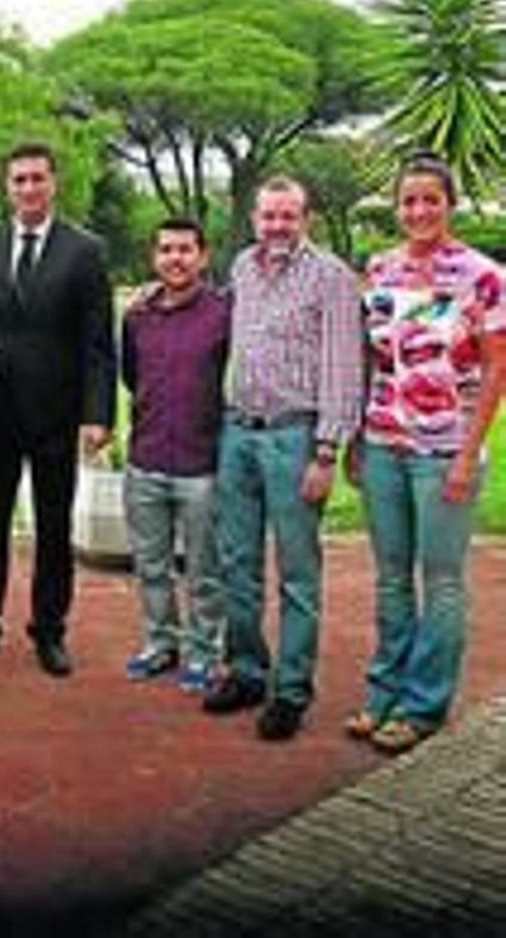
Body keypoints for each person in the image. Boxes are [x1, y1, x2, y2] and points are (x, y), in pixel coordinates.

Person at [345, 155, 506, 754]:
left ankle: (423, 705)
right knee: (389, 578)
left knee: (440, 581)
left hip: (444, 451)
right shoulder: (380, 268)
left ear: (450, 204)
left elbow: (496, 368)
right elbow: (373, 357)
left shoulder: (482, 276)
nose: (418, 212)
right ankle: (384, 689)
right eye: (408, 201)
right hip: (385, 442)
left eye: (429, 200)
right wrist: (360, 436)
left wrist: (468, 454)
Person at [201, 175, 362, 740]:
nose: (276, 226)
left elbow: (345, 367)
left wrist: (327, 452)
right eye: (268, 216)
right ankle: (246, 670)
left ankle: (291, 691)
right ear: (254, 219)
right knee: (236, 564)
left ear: (305, 218)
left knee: (297, 571)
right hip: (238, 433)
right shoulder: (243, 268)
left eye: (287, 216)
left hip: (296, 439)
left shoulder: (333, 278)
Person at [0, 142, 116, 677]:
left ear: (54, 184)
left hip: (57, 414)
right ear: (7, 187)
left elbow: (98, 341)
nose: (28, 188)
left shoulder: (85, 251)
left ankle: (49, 631)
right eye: (19, 180)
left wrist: (99, 414)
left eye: (37, 179)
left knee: (54, 528)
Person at [119, 217, 231, 693]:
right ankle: (159, 642)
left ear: (202, 257)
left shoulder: (224, 313)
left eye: (185, 249)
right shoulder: (138, 315)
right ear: (154, 258)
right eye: (166, 250)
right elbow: (130, 374)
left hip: (201, 462)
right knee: (151, 565)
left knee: (205, 569)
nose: (175, 258)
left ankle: (205, 650)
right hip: (146, 457)